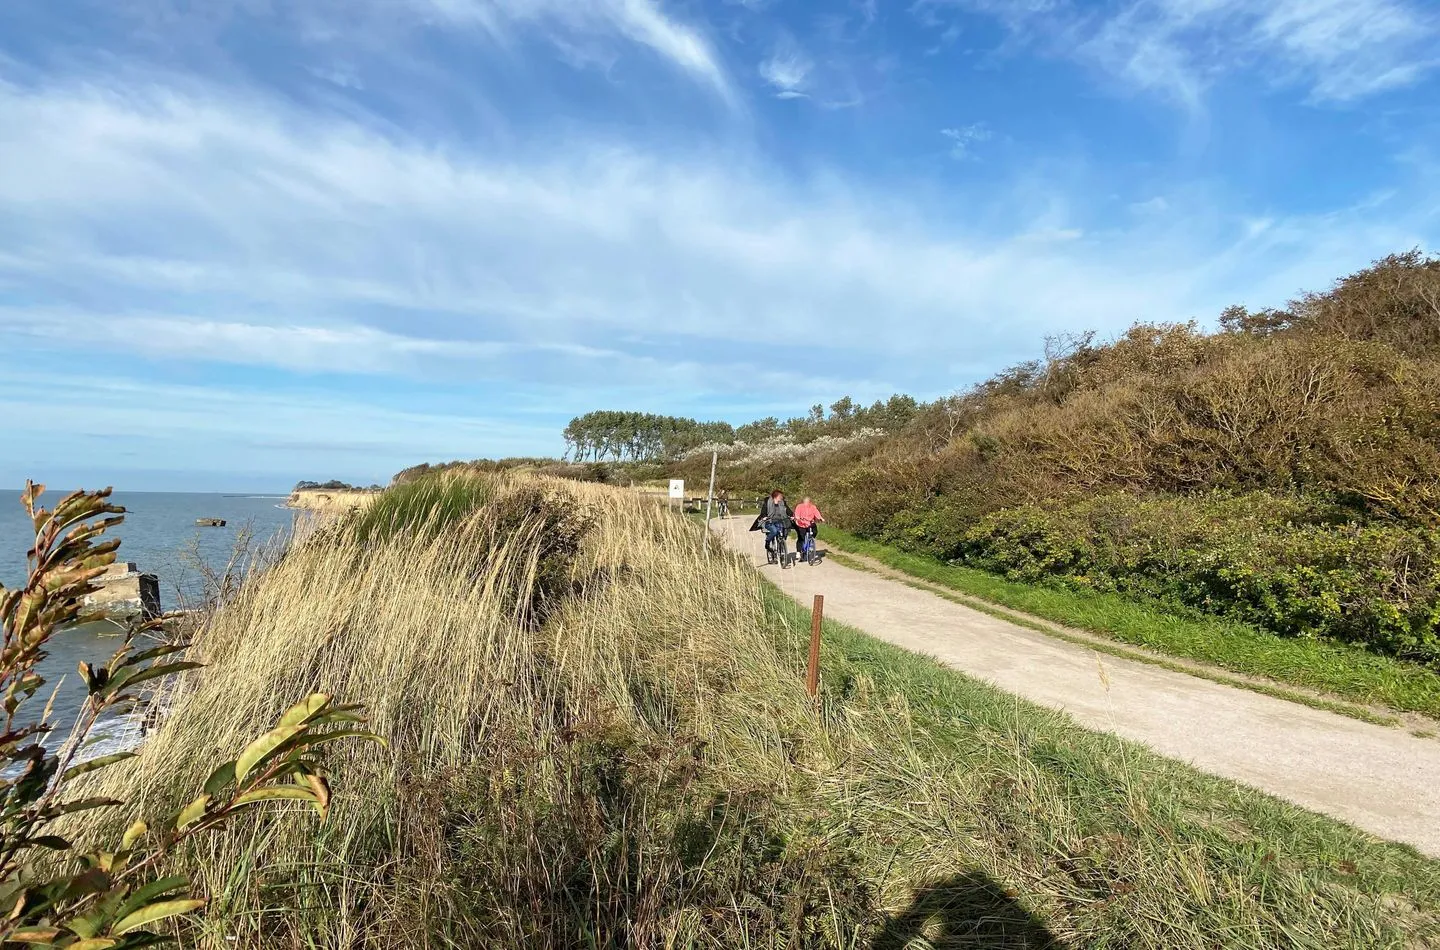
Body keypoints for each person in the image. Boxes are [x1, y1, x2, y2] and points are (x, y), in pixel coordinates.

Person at [757, 489, 794, 566]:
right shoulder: (768, 502)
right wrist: (764, 517)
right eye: (780, 496)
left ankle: (781, 546)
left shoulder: (782, 503)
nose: (782, 497)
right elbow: (763, 512)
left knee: (784, 532)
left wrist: (791, 515)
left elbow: (788, 510)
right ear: (776, 496)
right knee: (774, 531)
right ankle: (768, 543)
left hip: (780, 520)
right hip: (769, 521)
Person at [793, 496, 826, 564]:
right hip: (801, 524)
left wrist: (821, 518)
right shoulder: (799, 506)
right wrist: (798, 518)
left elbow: (816, 513)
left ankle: (811, 542)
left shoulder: (813, 507)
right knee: (801, 538)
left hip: (810, 523)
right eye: (805, 502)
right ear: (803, 502)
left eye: (808, 502)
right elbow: (797, 514)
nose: (807, 504)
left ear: (810, 502)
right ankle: (799, 551)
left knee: (815, 531)